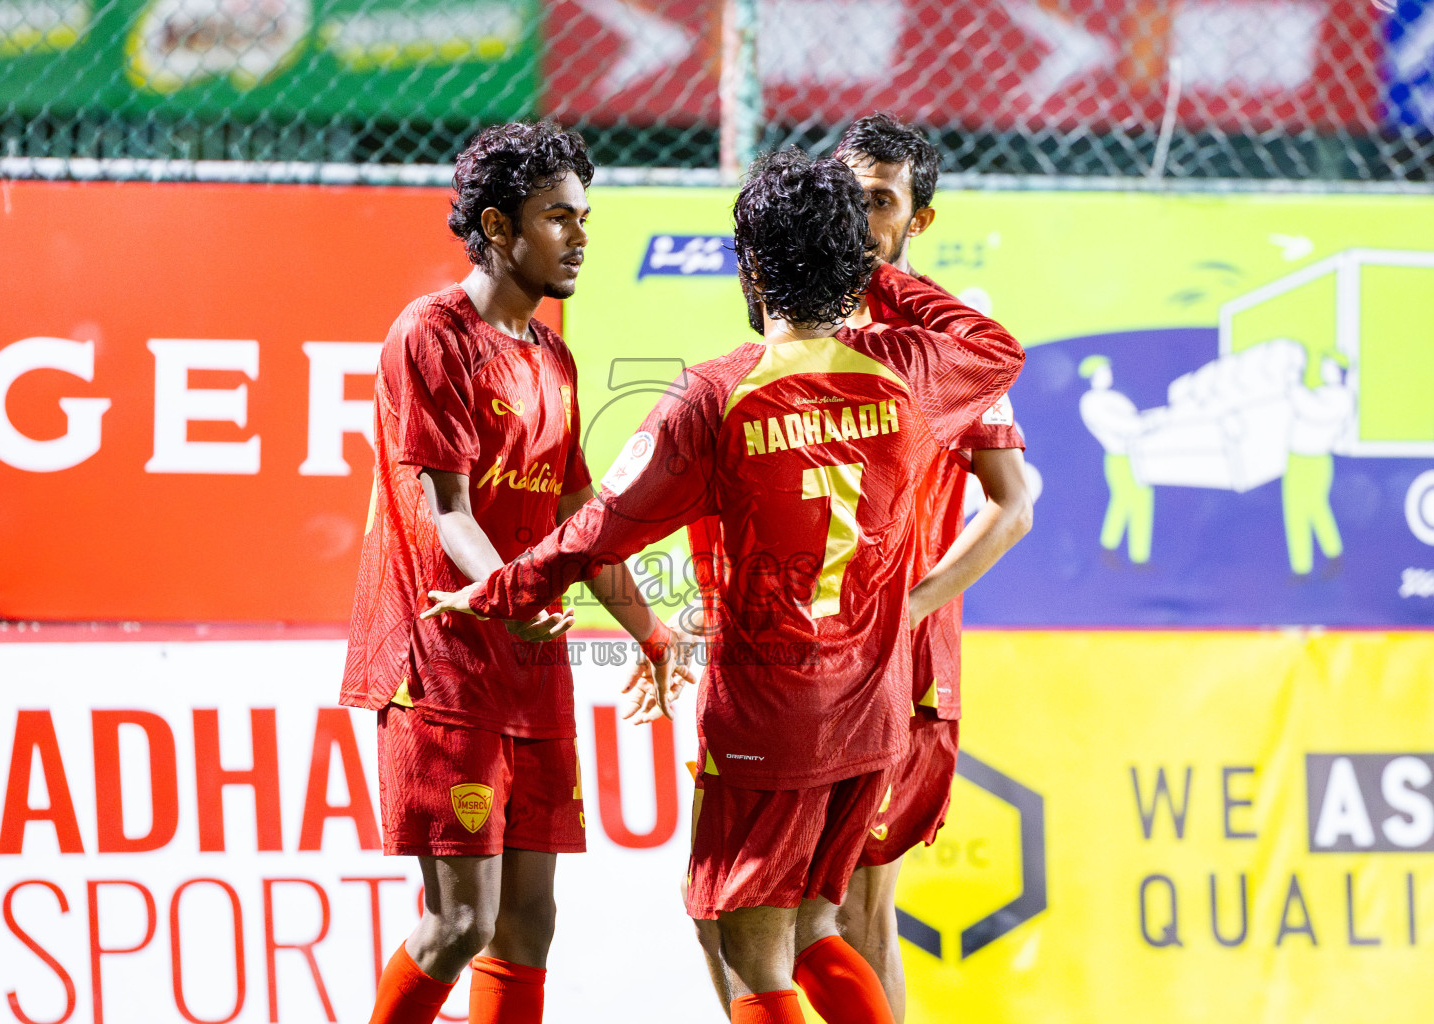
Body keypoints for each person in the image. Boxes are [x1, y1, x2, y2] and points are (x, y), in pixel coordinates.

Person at [425, 148, 1024, 1024]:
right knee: (820, 921)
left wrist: (500, 591)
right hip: (872, 707)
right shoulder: (913, 369)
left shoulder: (718, 394)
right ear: (853, 259)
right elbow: (997, 348)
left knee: (743, 942)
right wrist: (875, 274)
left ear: (751, 268)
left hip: (769, 716)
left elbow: (599, 526)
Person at [680, 113, 1035, 1023]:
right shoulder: (792, 331)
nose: (856, 217)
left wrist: (909, 607)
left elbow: (1012, 504)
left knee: (841, 912)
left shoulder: (936, 351)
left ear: (916, 222)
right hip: (786, 668)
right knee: (743, 916)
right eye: (844, 197)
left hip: (893, 669)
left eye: (878, 202)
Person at [339, 121, 692, 1024]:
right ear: (498, 228)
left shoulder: (556, 357)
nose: (579, 236)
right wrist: (512, 596)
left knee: (530, 924)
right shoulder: (431, 335)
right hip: (444, 662)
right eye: (557, 218)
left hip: (530, 670)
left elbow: (579, 521)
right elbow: (447, 514)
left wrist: (651, 632)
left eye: (585, 217)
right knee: (461, 921)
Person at [1078, 355, 1153, 564]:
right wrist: (1146, 425)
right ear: (1092, 377)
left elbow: (1135, 417)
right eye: (1103, 372)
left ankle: (1129, 555)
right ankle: (1120, 552)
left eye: (1108, 371)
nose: (1108, 375)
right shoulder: (1091, 402)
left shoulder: (1114, 397)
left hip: (1135, 455)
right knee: (1130, 501)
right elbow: (1126, 426)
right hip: (1119, 459)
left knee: (1133, 502)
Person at [1283, 353, 1353, 574]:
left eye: (1328, 365)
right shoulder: (1322, 392)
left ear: (1339, 370)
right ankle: (1301, 568)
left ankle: (1334, 555)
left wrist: (1294, 383)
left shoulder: (1344, 398)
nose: (1323, 369)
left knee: (1315, 507)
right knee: (1294, 511)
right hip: (1296, 459)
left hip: (1316, 461)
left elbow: (1312, 409)